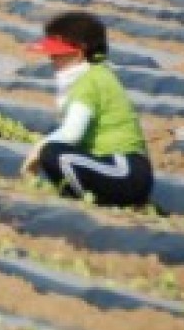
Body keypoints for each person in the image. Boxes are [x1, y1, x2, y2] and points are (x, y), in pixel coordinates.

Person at [19, 12, 154, 209]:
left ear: (80, 51)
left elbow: (71, 133)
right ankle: (81, 198)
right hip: (115, 168)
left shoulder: (90, 82)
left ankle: (85, 204)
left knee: (54, 154)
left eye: (57, 54)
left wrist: (38, 149)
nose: (51, 59)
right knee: (54, 152)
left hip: (125, 170)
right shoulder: (92, 76)